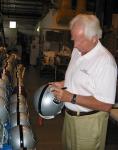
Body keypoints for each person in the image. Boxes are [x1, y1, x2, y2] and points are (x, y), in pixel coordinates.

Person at [49, 14, 117, 150]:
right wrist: (63, 84)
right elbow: (78, 78)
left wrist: (70, 97)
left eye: (80, 41)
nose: (75, 45)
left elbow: (106, 105)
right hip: (70, 117)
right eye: (74, 39)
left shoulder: (105, 62)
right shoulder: (77, 50)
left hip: (89, 122)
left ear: (94, 38)